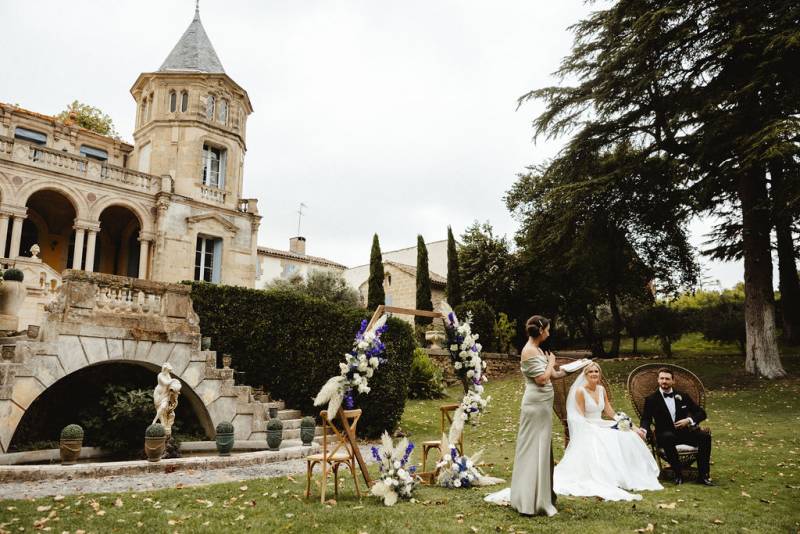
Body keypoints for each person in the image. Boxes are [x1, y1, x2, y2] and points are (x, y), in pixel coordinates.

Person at [485, 315, 565, 516]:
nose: (549, 332)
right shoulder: (528, 351)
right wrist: (551, 362)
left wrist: (575, 369)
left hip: (543, 407)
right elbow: (541, 379)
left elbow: (553, 375)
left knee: (542, 448)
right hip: (535, 407)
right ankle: (529, 500)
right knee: (532, 449)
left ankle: (542, 494)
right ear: (540, 331)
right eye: (547, 329)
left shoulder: (538, 349)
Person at [553, 362, 663, 501]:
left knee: (628, 435)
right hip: (588, 425)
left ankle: (628, 474)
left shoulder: (601, 389)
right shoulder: (580, 391)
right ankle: (607, 476)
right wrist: (591, 427)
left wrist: (624, 422)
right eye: (590, 372)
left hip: (601, 422)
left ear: (599, 374)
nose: (594, 374)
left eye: (596, 372)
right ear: (586, 375)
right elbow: (579, 416)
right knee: (606, 437)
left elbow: (609, 410)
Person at [637, 367, 713, 485]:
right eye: (662, 378)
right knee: (668, 437)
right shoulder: (651, 399)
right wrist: (643, 430)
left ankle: (703, 476)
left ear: (673, 381)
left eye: (667, 379)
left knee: (705, 437)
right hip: (664, 434)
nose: (664, 381)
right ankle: (678, 474)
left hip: (684, 433)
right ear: (658, 380)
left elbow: (701, 413)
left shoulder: (683, 396)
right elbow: (646, 419)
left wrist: (688, 420)